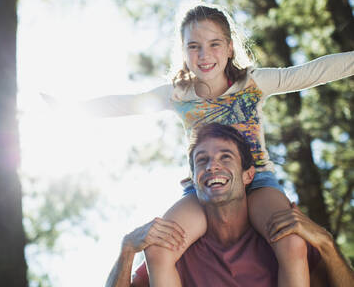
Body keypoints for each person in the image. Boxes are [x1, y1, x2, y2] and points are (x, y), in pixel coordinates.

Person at [43, 1, 354, 286]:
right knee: (158, 248)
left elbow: (313, 72)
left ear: (230, 48)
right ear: (184, 51)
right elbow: (125, 103)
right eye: (194, 47)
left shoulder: (253, 83)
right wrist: (71, 110)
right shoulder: (178, 94)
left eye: (214, 44)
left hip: (257, 181)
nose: (204, 56)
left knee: (291, 241)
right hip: (202, 188)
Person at [105, 123, 354, 287]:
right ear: (192, 181)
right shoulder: (178, 249)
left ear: (248, 175)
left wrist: (326, 243)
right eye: (202, 160)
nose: (212, 165)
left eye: (225, 157)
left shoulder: (281, 237)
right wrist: (127, 250)